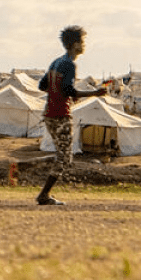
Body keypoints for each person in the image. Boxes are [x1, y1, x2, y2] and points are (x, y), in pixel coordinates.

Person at [35, 25, 107, 206]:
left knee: (61, 154)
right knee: (65, 157)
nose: (84, 45)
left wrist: (59, 94)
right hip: (61, 114)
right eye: (82, 41)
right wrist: (94, 94)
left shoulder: (55, 62)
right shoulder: (69, 64)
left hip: (49, 113)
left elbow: (43, 85)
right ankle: (44, 194)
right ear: (75, 44)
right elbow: (68, 89)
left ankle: (28, 169)